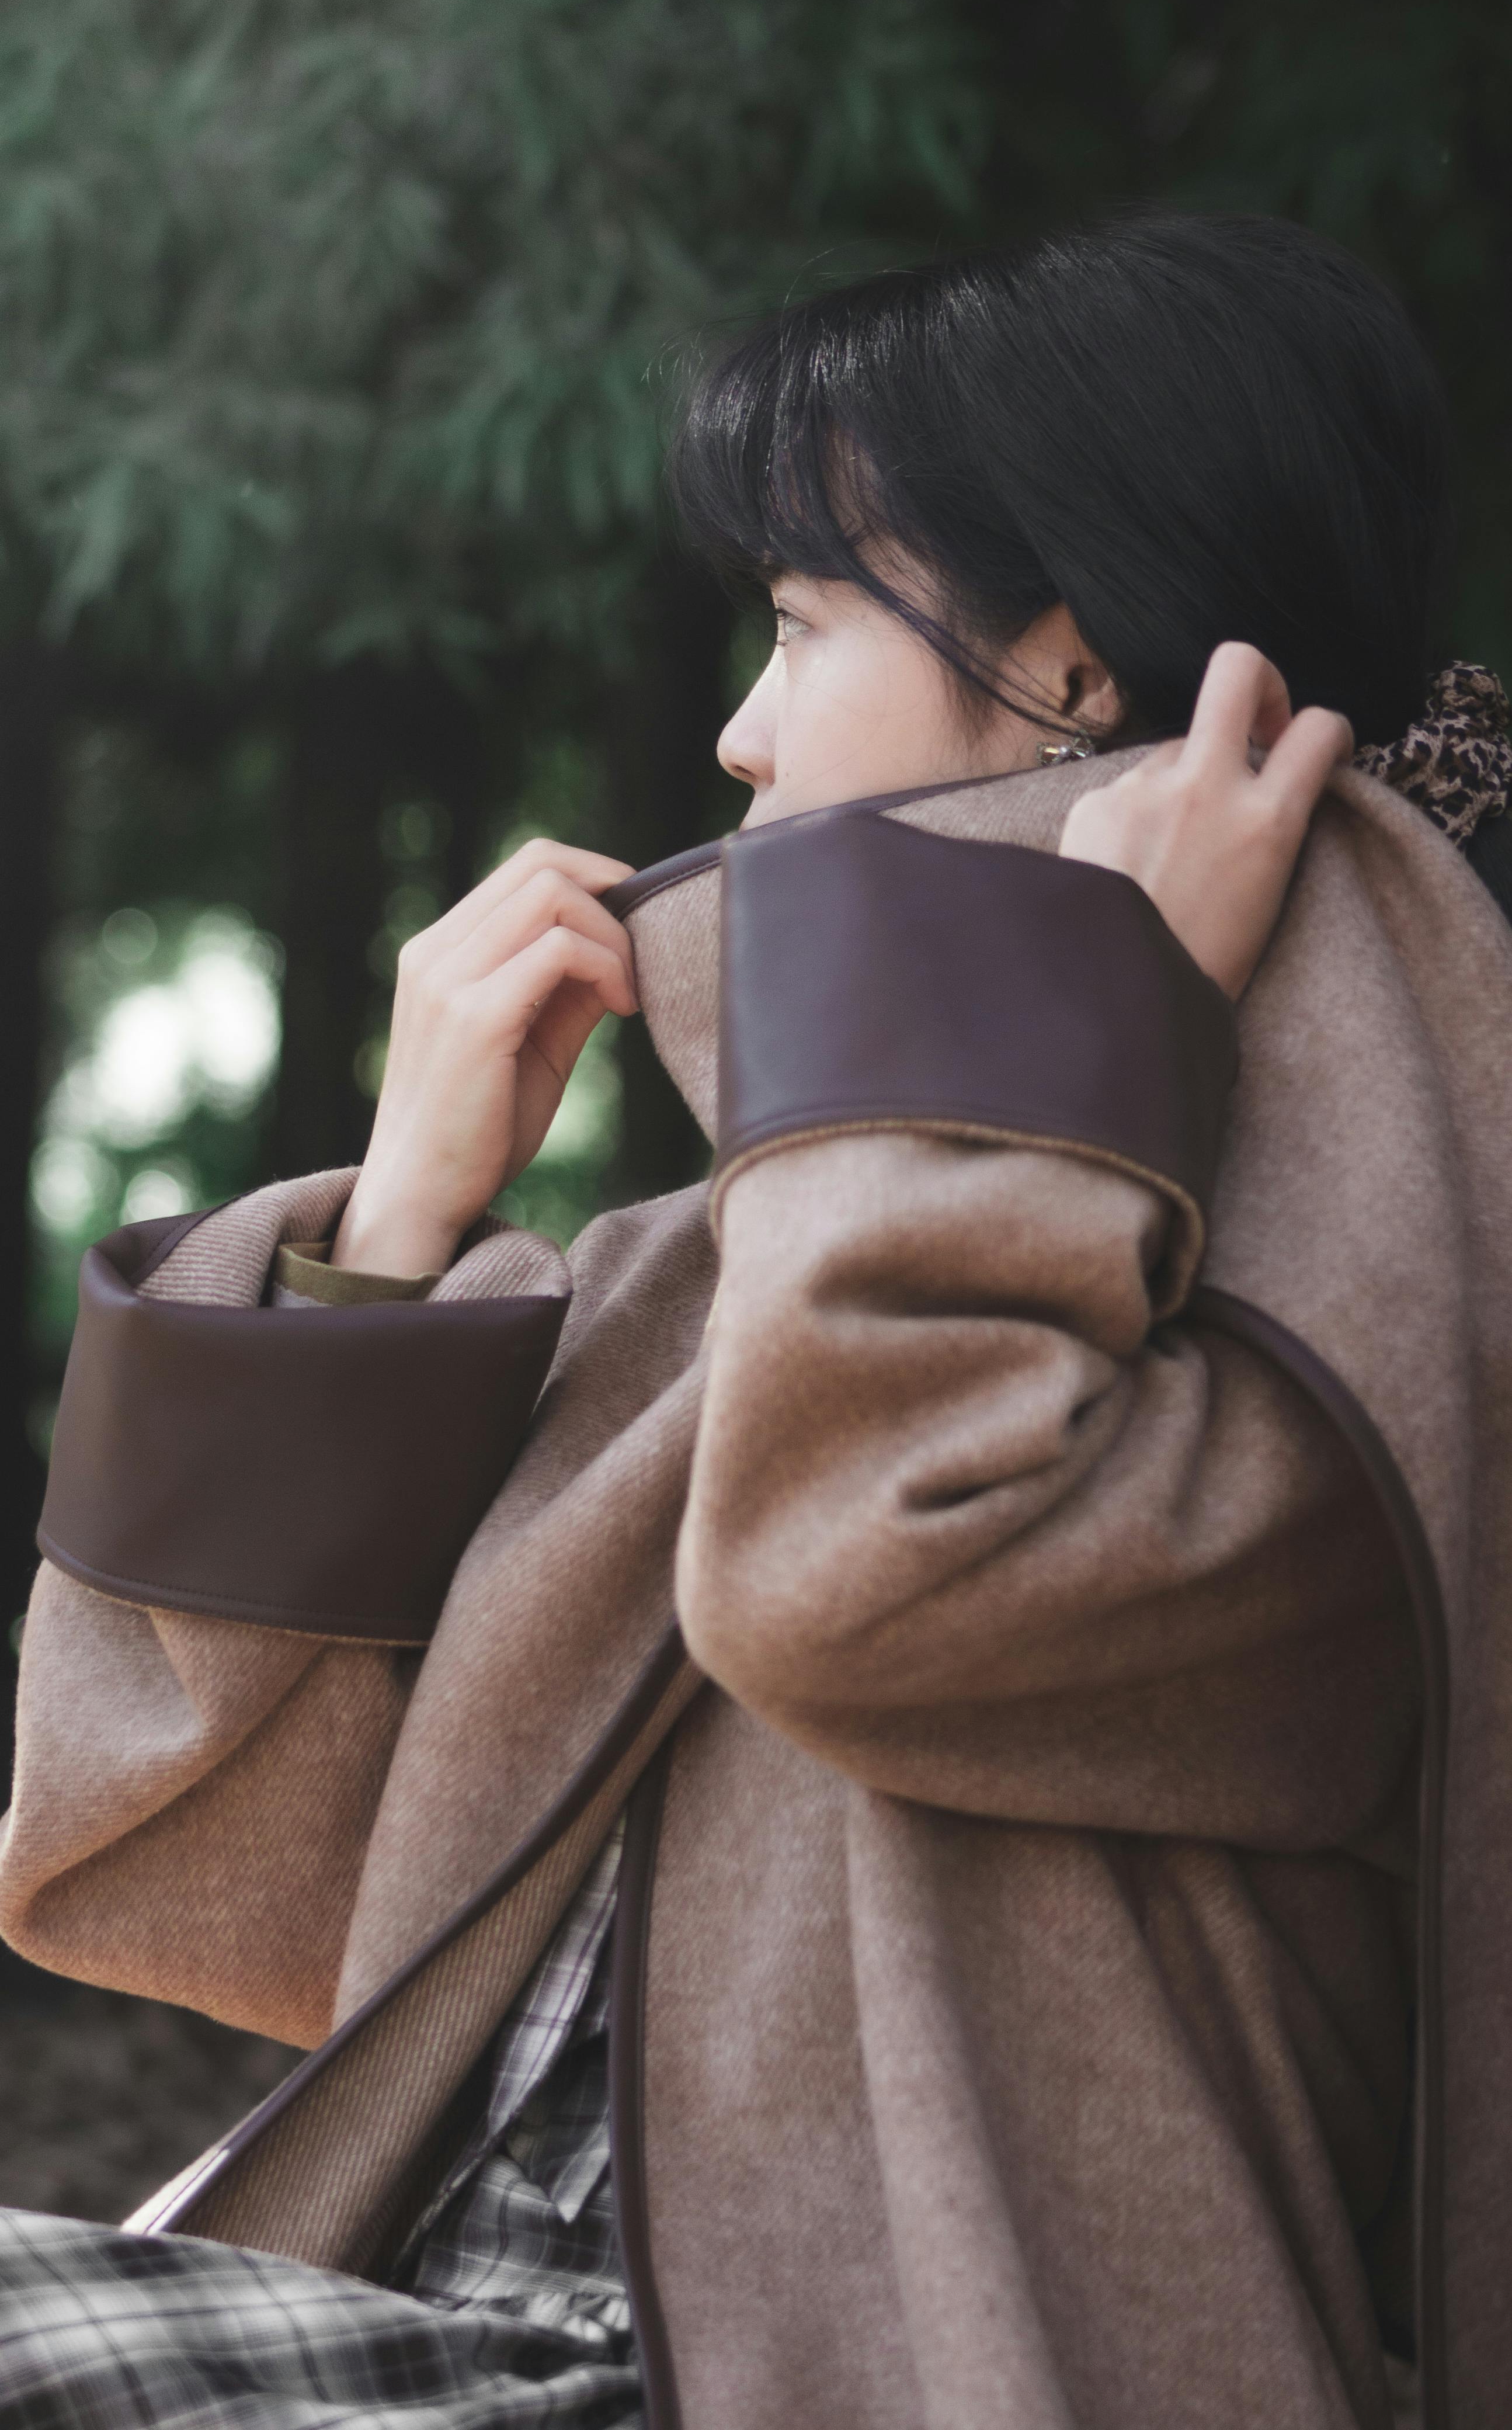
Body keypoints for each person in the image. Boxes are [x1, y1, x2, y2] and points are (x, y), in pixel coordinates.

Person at [2, 210, 1511, 2430]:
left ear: (1077, 666)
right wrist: (402, 1232)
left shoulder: (1372, 1273)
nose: (731, 734)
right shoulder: (760, 1262)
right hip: (451, 2334)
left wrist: (1036, 1014)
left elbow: (857, 1581)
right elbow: (186, 1868)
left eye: (803, 627)